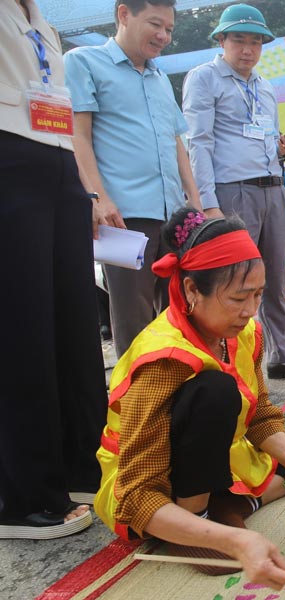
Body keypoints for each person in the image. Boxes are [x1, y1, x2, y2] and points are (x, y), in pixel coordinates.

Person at [95, 207, 285, 586]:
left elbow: (259, 417)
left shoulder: (242, 332)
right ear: (192, 290)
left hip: (218, 451)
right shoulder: (162, 358)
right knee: (215, 392)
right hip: (152, 479)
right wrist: (238, 542)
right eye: (239, 297)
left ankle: (233, 503)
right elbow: (137, 495)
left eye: (258, 295)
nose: (250, 311)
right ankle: (198, 518)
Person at [0, 0, 107, 540]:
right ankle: (21, 494)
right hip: (8, 154)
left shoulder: (39, 18)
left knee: (75, 325)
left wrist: (81, 185)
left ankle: (79, 463)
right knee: (23, 330)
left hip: (57, 159)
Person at [65, 0, 202, 358]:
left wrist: (196, 207)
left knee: (182, 312)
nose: (164, 36)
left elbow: (177, 144)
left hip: (174, 216)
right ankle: (137, 406)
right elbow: (78, 135)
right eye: (155, 24)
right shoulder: (84, 62)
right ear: (124, 14)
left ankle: (177, 395)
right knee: (134, 318)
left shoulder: (158, 76)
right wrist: (98, 198)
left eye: (170, 29)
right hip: (124, 216)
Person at [183, 3, 285, 380]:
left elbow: (265, 140)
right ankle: (231, 361)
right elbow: (199, 143)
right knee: (236, 280)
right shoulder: (204, 78)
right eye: (239, 40)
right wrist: (207, 204)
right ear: (221, 40)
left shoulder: (265, 87)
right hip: (232, 192)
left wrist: (284, 151)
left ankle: (281, 355)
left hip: (271, 188)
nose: (248, 49)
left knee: (272, 275)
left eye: (256, 42)